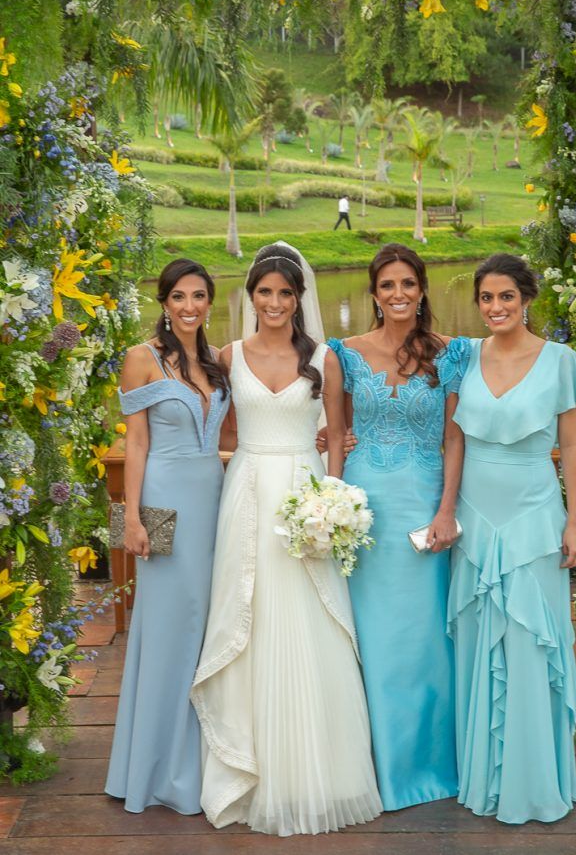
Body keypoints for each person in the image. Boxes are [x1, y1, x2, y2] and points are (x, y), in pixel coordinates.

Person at [191, 243, 382, 836]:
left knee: (310, 617)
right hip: (247, 493)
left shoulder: (324, 358)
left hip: (306, 497)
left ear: (299, 299)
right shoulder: (228, 356)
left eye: (285, 293)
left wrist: (333, 502)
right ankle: (247, 766)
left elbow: (337, 434)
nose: (274, 303)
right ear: (251, 297)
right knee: (248, 617)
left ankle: (322, 771)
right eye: (265, 292)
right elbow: (222, 430)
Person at [328, 243, 471, 811]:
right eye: (387, 285)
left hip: (423, 507)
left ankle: (424, 765)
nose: (398, 294)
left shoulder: (451, 353)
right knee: (370, 636)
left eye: (408, 283)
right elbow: (336, 434)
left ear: (422, 289)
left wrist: (447, 510)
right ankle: (368, 766)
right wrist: (332, 506)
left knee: (423, 637)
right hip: (364, 512)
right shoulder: (344, 353)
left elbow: (454, 438)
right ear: (373, 293)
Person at [448, 253, 576, 824]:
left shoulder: (561, 360)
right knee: (478, 642)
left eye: (506, 296)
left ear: (526, 299)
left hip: (534, 515)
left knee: (533, 642)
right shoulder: (464, 356)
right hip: (475, 517)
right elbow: (447, 434)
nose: (496, 307)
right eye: (486, 297)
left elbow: (572, 446)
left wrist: (574, 522)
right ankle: (482, 777)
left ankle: (533, 783)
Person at [105, 259, 231, 814]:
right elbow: (135, 442)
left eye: (198, 296)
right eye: (179, 296)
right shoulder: (141, 358)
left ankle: (205, 757)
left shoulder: (216, 360)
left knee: (204, 623)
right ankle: (154, 769)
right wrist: (131, 518)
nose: (189, 306)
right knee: (165, 627)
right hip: (163, 502)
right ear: (163, 302)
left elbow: (229, 435)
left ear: (209, 302)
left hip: (214, 502)